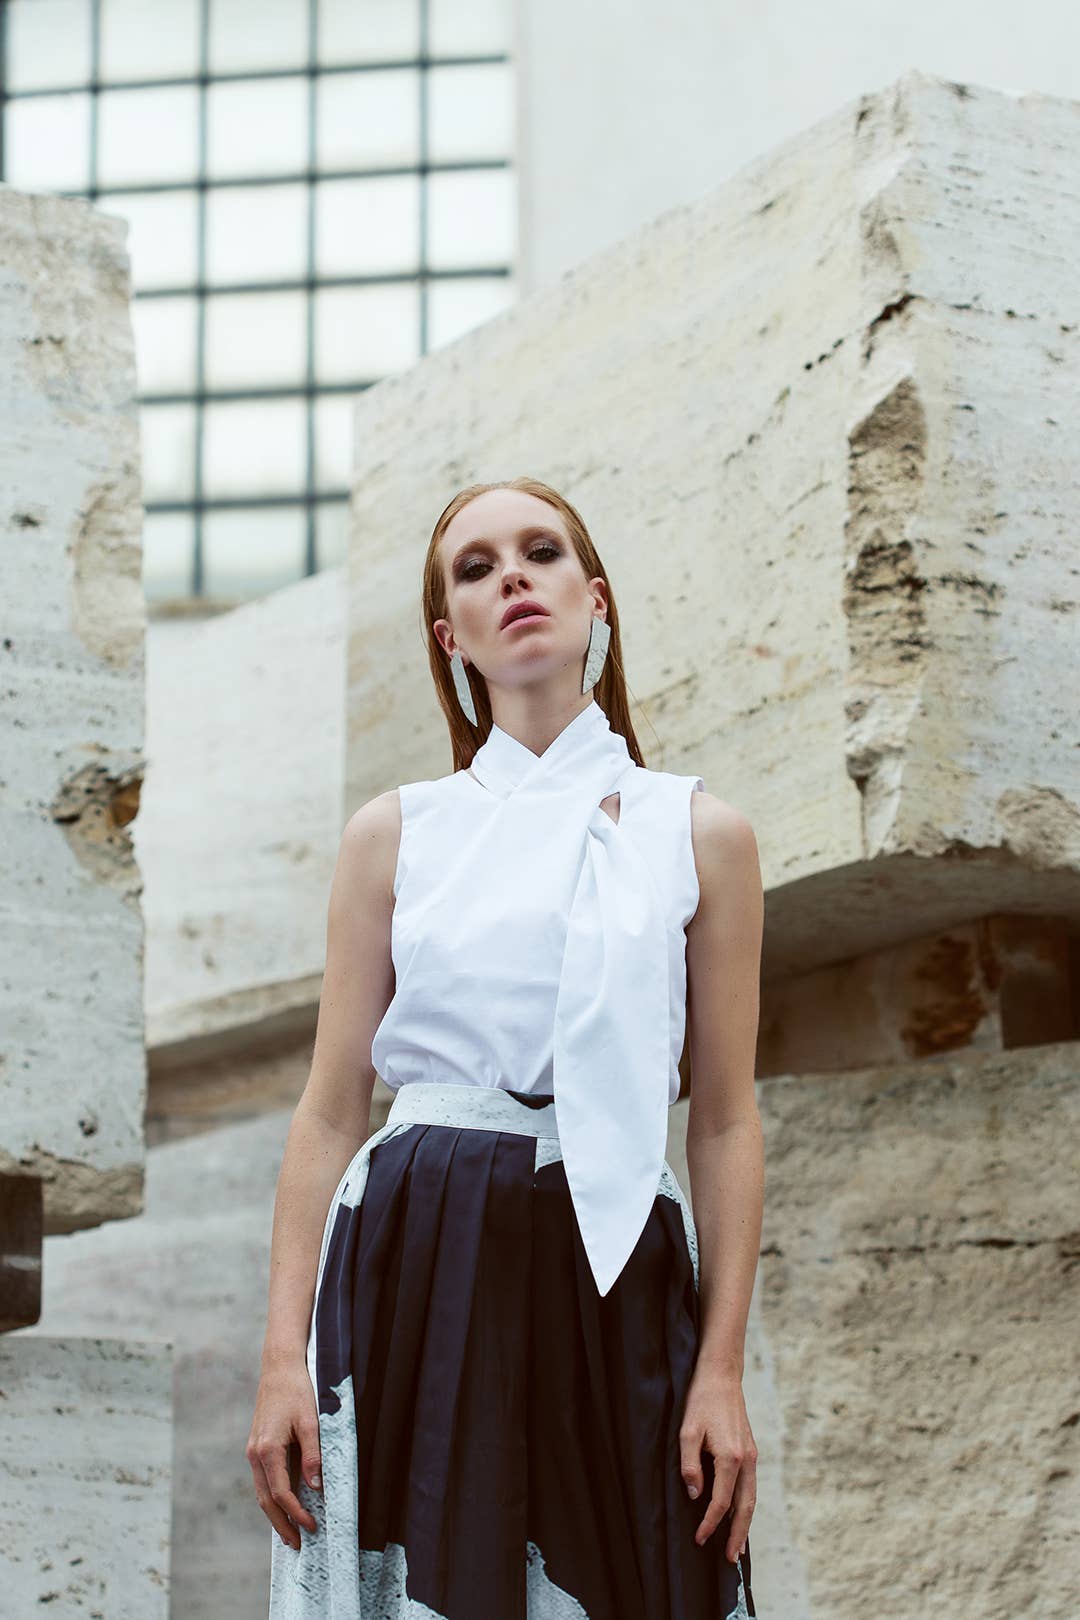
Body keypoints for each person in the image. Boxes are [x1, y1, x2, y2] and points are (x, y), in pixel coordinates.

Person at [249, 476, 764, 1620]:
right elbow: (330, 1109)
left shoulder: (702, 834)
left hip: (616, 1263)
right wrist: (283, 1353)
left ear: (596, 598)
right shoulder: (395, 835)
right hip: (415, 1251)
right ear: (453, 637)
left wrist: (722, 1370)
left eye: (542, 552)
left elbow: (726, 1118)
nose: (514, 578)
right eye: (477, 570)